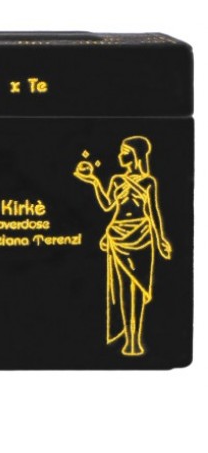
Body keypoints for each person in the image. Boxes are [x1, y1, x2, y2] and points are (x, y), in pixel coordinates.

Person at [74, 136, 171, 356]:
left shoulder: (148, 182)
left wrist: (160, 240)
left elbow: (153, 214)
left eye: (125, 152)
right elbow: (108, 205)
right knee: (124, 288)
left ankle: (137, 338)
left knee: (139, 286)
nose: (120, 156)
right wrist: (94, 180)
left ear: (136, 156)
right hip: (118, 236)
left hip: (142, 236)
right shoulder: (117, 180)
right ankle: (129, 339)